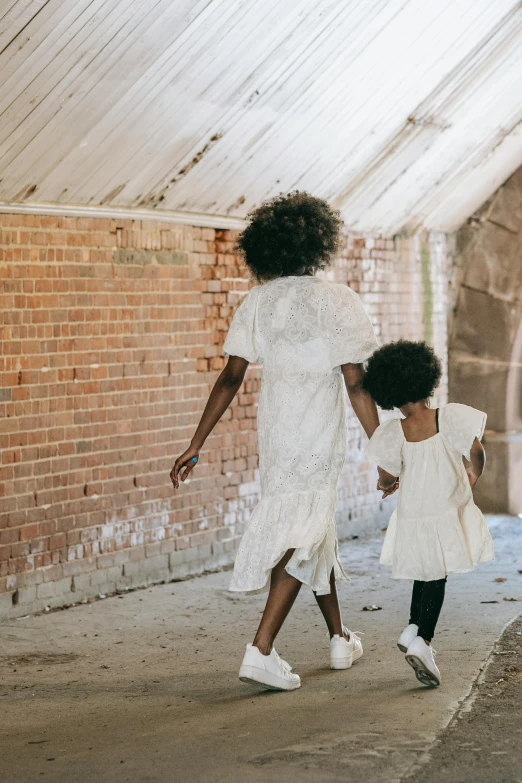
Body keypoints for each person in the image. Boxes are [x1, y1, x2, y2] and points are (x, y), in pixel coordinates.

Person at [171, 191, 384, 691]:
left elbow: (229, 378)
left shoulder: (258, 303)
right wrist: (383, 449)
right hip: (317, 434)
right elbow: (355, 384)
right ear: (318, 243)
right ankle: (260, 649)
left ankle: (338, 638)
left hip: (279, 433)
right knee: (301, 531)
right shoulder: (341, 301)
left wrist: (195, 443)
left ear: (266, 247)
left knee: (309, 527)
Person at [363, 340, 494, 687]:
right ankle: (424, 641)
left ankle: (411, 629)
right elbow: (476, 451)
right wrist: (472, 475)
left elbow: (387, 475)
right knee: (436, 576)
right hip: (444, 510)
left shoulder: (393, 432)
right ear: (426, 379)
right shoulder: (448, 417)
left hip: (412, 516)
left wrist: (387, 482)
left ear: (387, 391)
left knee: (425, 570)